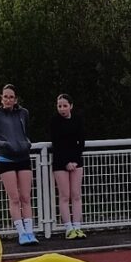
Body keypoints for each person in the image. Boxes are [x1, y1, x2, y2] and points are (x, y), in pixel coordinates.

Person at [0, 83, 37, 245]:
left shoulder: (24, 113)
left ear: (15, 99)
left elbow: (27, 134)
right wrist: (5, 145)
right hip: (6, 159)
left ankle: (30, 231)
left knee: (25, 196)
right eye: (5, 97)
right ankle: (21, 233)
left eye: (11, 97)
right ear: (1, 98)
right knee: (14, 197)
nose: (8, 100)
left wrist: (26, 143)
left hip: (23, 158)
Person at [50, 93, 86, 239]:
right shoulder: (54, 121)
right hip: (60, 162)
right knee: (64, 195)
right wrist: (66, 162)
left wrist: (75, 161)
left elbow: (81, 141)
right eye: (59, 106)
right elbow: (56, 144)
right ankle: (68, 228)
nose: (62, 109)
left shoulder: (78, 120)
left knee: (76, 195)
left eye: (65, 106)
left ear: (71, 106)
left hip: (76, 161)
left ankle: (77, 226)